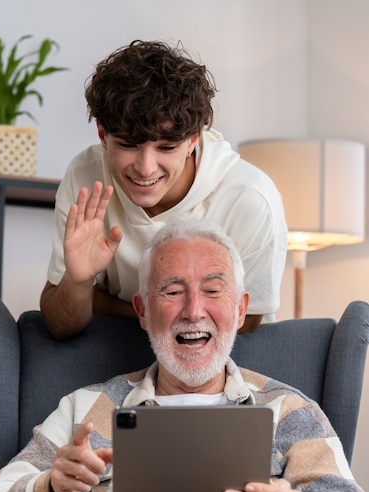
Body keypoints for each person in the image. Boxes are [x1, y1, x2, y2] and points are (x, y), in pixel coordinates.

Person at [0, 219, 369, 492]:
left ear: (241, 307)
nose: (194, 311)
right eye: (173, 292)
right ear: (143, 311)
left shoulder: (289, 412)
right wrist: (52, 491)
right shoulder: (87, 407)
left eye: (212, 290)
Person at [40, 40, 288, 340]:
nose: (146, 168)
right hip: (114, 355)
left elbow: (246, 321)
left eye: (166, 147)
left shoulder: (250, 199)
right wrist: (79, 283)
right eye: (128, 145)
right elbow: (59, 325)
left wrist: (113, 303)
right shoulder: (85, 178)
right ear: (103, 136)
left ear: (193, 141)